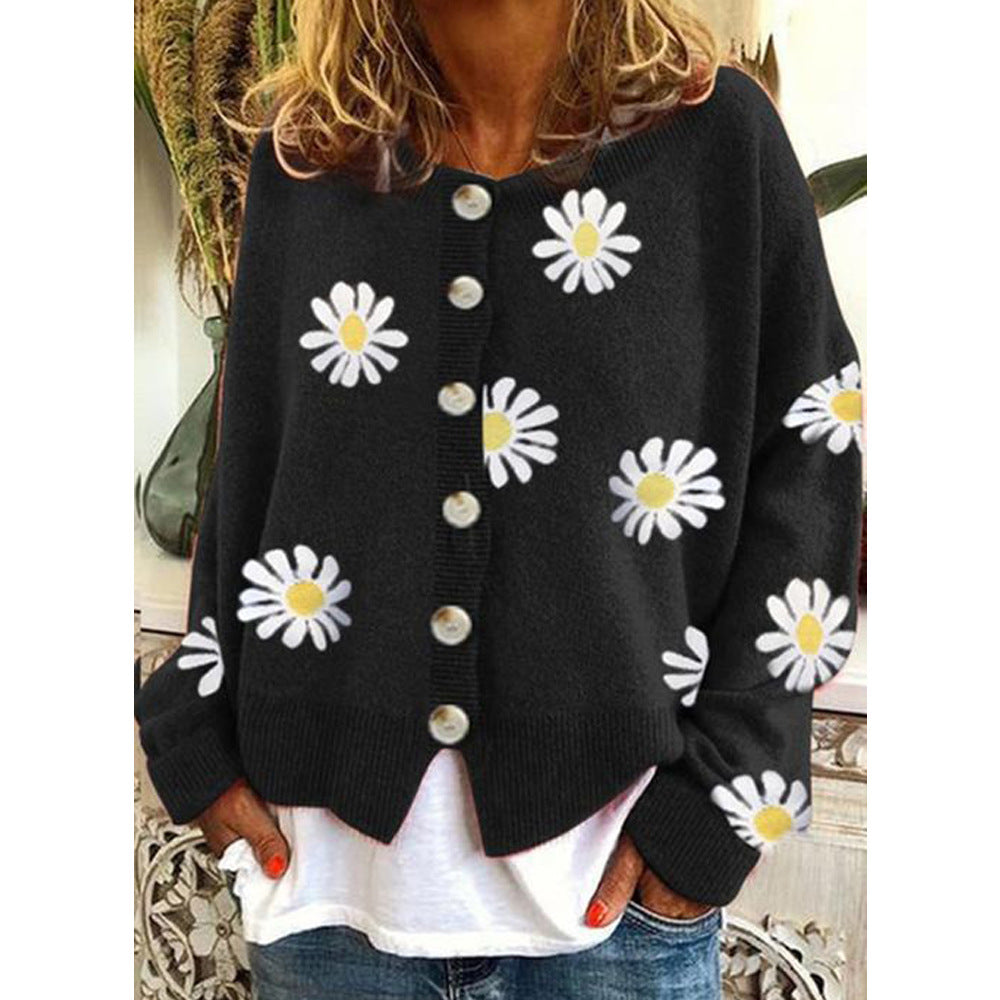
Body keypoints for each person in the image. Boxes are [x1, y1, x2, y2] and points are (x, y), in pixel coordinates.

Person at [134, 1, 863, 997]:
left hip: (613, 930)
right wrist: (194, 733)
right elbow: (255, 458)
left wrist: (730, 799)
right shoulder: (307, 158)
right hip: (326, 912)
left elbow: (812, 450)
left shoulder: (717, 143)